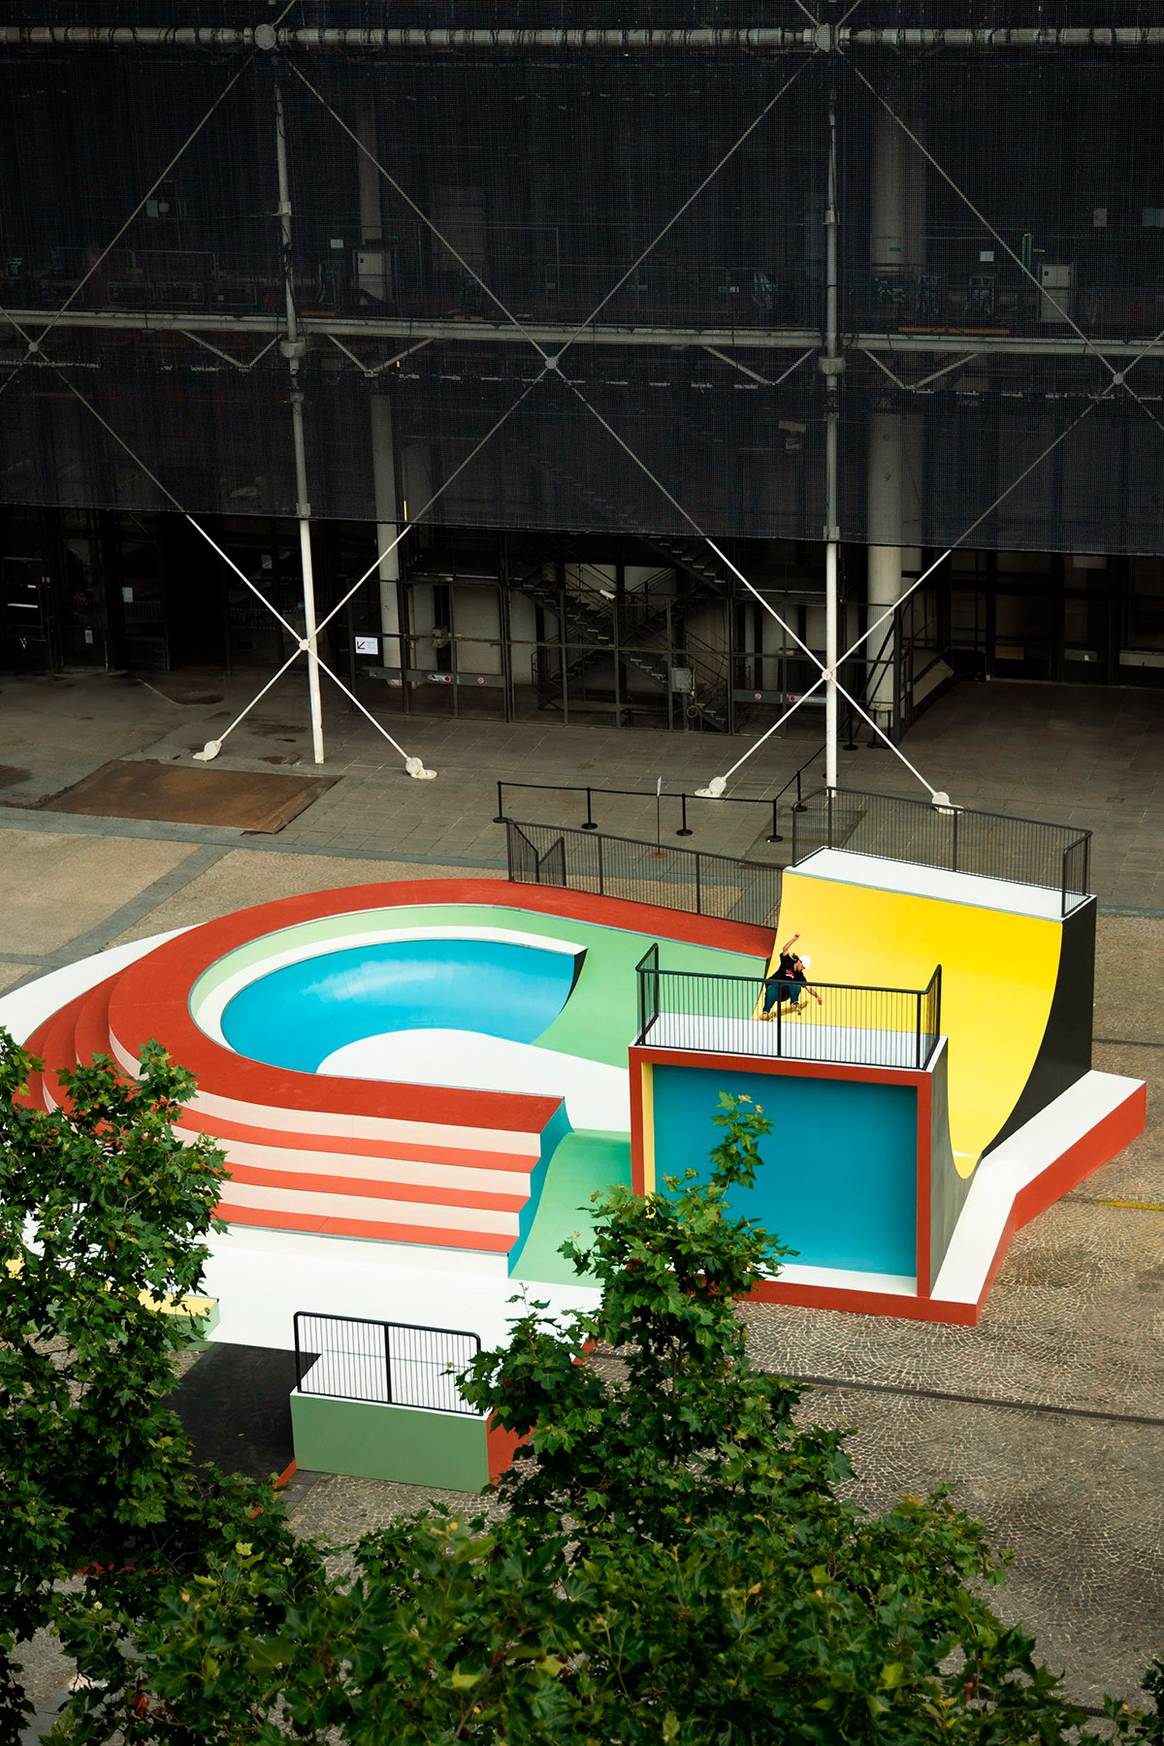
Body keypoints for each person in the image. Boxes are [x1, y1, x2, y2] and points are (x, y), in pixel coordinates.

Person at [761, 931, 823, 1018]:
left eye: (804, 968)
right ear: (799, 961)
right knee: (772, 988)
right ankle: (765, 1012)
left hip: (784, 993)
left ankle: (794, 1003)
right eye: (803, 967)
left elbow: (809, 988)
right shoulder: (787, 961)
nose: (802, 969)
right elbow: (785, 949)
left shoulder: (799, 975)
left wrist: (817, 996)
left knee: (796, 984)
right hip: (775, 988)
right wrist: (794, 939)